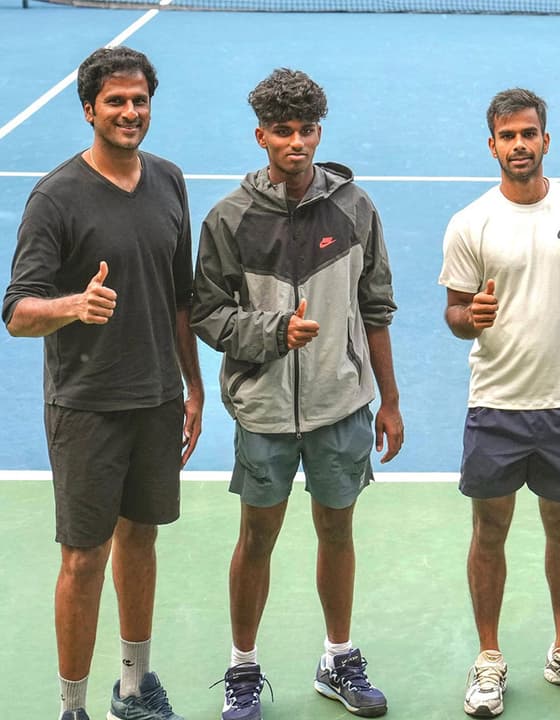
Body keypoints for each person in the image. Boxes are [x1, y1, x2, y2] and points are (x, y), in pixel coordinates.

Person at [191, 68, 403, 720]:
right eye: (283, 131)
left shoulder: (355, 208)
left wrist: (390, 401)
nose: (297, 143)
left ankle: (338, 657)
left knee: (337, 531)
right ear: (261, 136)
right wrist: (274, 333)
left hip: (342, 403)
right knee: (257, 537)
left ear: (319, 132)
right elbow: (207, 314)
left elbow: (376, 309)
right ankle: (242, 668)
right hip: (264, 411)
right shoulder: (229, 218)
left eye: (307, 130)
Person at [3, 46, 203, 720]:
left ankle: (133, 689)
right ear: (89, 109)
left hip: (158, 397)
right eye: (115, 101)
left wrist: (193, 387)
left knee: (140, 540)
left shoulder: (170, 180)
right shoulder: (55, 197)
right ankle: (72, 708)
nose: (130, 111)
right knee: (84, 559)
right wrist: (73, 306)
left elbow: (180, 299)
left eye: (139, 100)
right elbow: (17, 312)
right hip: (87, 406)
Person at [439, 87, 560, 718]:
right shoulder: (470, 222)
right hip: (495, 404)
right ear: (492, 145)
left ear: (546, 139)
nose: (519, 145)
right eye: (507, 136)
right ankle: (489, 659)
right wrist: (470, 317)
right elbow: (454, 313)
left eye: (528, 133)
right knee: (489, 531)